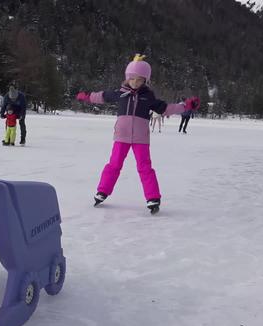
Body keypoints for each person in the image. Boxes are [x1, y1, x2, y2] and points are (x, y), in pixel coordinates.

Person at [76, 54, 186, 214]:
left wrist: (184, 106)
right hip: (121, 136)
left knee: (145, 167)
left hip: (141, 138)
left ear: (145, 81)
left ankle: (153, 197)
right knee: (114, 165)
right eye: (132, 78)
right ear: (127, 78)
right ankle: (102, 191)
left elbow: (166, 108)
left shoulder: (148, 96)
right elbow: (102, 96)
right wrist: (87, 97)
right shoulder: (119, 93)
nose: (135, 82)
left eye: (140, 79)